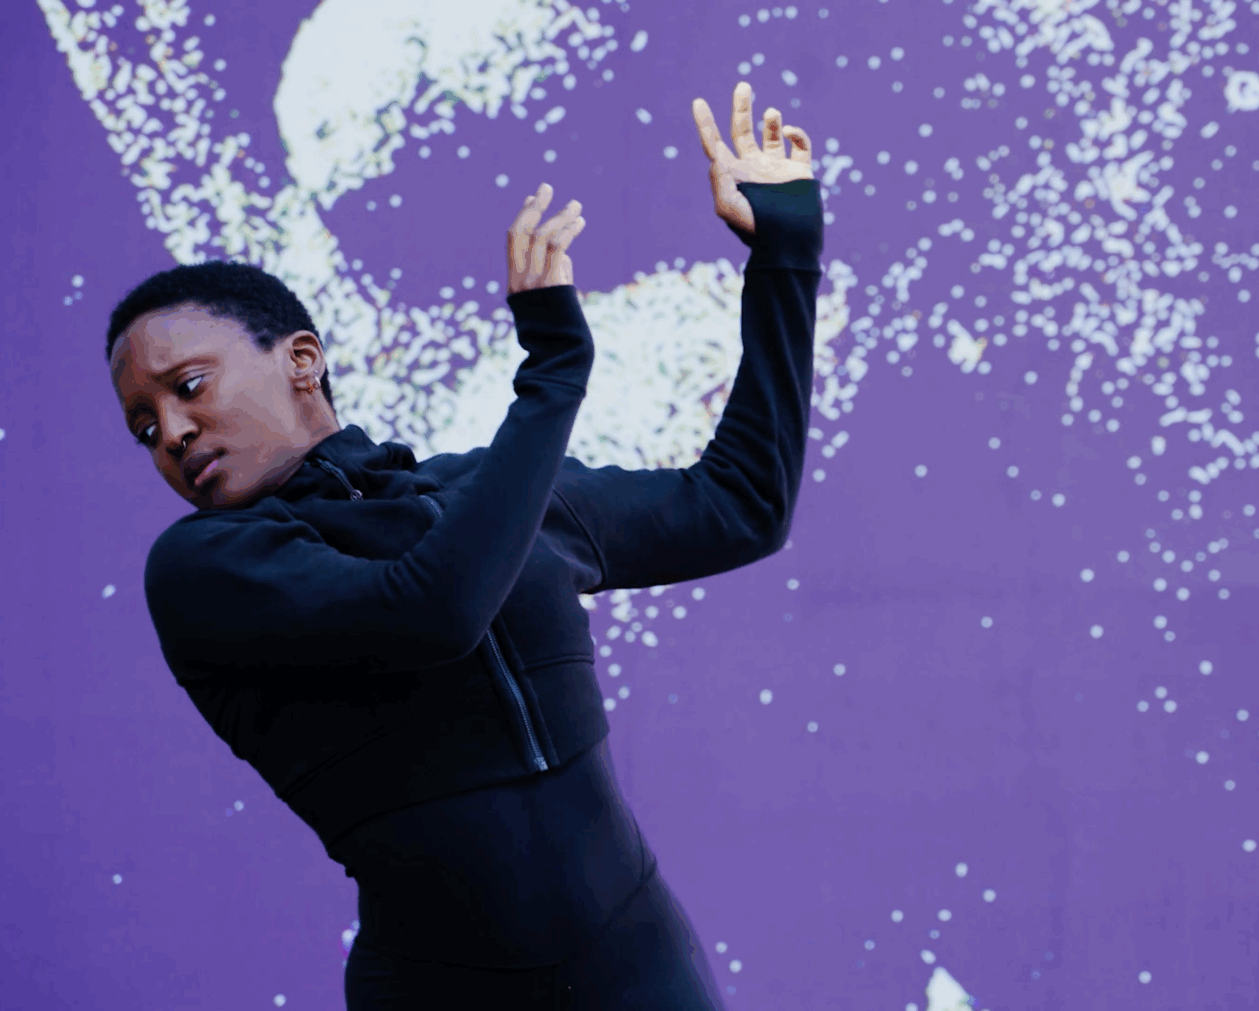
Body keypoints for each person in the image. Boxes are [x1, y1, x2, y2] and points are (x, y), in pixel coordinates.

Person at [105, 82, 821, 1009]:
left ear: (301, 359)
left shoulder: (480, 494)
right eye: (144, 426)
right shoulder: (203, 570)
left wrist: (784, 257)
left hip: (641, 972)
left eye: (189, 386)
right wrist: (552, 375)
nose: (171, 432)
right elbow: (435, 611)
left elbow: (742, 504)